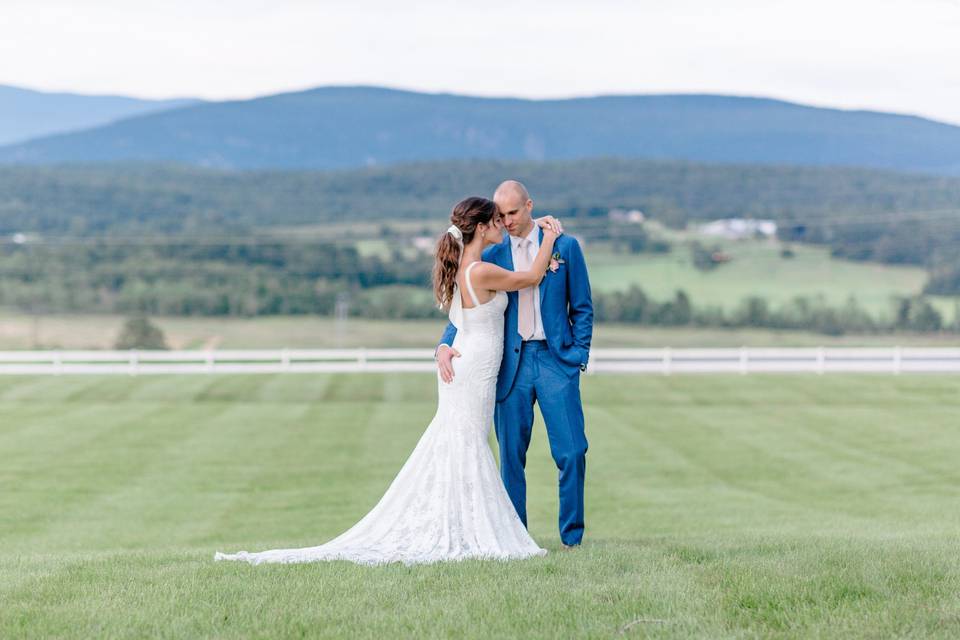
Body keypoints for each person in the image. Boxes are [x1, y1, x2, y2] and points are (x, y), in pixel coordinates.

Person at [215, 196, 560, 565]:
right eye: (495, 221)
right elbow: (531, 278)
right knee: (467, 442)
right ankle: (469, 530)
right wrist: (550, 236)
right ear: (480, 227)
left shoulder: (469, 267)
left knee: (463, 441)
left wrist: (443, 347)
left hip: (470, 362)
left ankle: (462, 524)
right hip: (473, 367)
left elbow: (462, 319)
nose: (500, 227)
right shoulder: (478, 271)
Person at [436, 180, 593, 548]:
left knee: (572, 451)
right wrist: (444, 345)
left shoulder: (565, 246)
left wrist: (577, 356)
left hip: (557, 362)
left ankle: (572, 539)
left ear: (529, 206)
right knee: (510, 457)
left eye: (512, 213)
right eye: (500, 214)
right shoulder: (490, 256)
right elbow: (466, 309)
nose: (505, 221)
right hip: (510, 365)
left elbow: (583, 307)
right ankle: (515, 538)